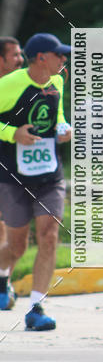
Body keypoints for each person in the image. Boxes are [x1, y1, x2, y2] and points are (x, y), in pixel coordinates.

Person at [0, 33, 71, 329]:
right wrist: (12, 133)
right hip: (13, 176)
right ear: (41, 57)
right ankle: (3, 278)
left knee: (49, 234)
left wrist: (64, 128)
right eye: (59, 55)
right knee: (17, 246)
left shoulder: (57, 82)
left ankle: (36, 308)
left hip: (49, 175)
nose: (64, 60)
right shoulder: (8, 85)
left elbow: (58, 117)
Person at [0, 37, 24, 309]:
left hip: (17, 167)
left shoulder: (23, 87)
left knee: (15, 230)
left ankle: (4, 280)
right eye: (15, 55)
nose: (20, 59)